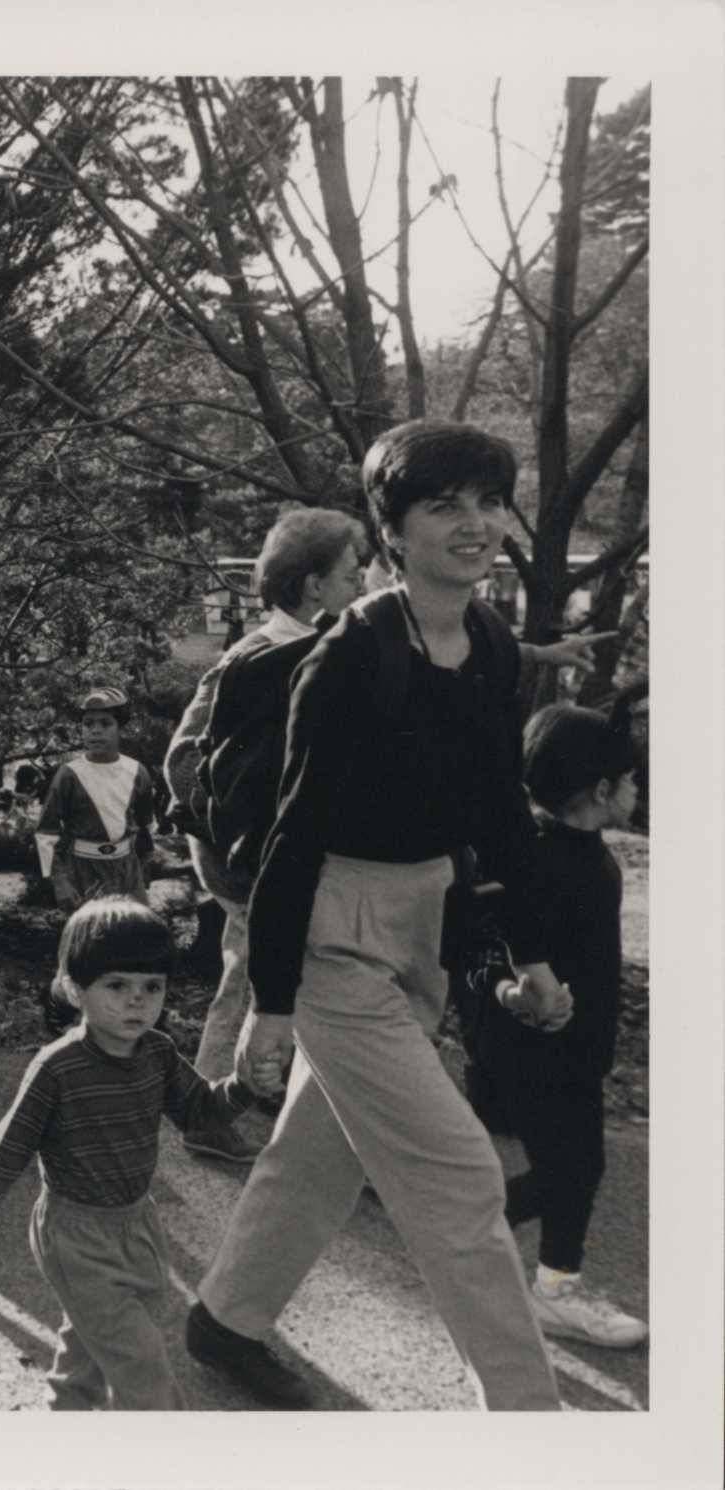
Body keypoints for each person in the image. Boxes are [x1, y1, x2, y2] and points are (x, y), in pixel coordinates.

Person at [185, 419, 571, 1412]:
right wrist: (271, 1000)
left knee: (317, 1152)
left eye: (486, 502)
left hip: (424, 918)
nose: (474, 523)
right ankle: (531, 1421)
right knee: (454, 1172)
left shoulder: (485, 640)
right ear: (389, 531)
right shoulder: (347, 658)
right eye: (442, 505)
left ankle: (223, 1318)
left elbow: (497, 808)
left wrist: (529, 952)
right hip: (329, 930)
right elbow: (291, 834)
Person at [0, 898, 266, 1409]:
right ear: (77, 988)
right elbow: (7, 1150)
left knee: (93, 1343)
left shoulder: (159, 1053)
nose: (136, 1002)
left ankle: (68, 1414)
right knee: (140, 1361)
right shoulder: (58, 1069)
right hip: (74, 1234)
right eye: (116, 986)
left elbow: (201, 1112)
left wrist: (245, 1086)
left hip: (138, 1224)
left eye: (152, 988)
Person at [163, 509, 369, 1166]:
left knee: (261, 973)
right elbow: (182, 759)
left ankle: (235, 1105)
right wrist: (236, 845)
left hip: (262, 856)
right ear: (312, 585)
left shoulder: (314, 651)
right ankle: (215, 1116)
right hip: (249, 860)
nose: (360, 580)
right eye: (349, 571)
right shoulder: (256, 657)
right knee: (264, 973)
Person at [458, 703, 647, 1349]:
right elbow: (471, 945)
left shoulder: (585, 850)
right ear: (599, 790)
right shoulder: (532, 857)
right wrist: (512, 991)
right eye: (630, 778)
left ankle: (465, 1240)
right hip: (531, 1051)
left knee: (569, 1167)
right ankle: (551, 1289)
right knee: (573, 1167)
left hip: (572, 1048)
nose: (637, 789)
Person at [34, 687, 155, 912]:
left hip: (126, 869)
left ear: (121, 729)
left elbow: (145, 825)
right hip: (83, 869)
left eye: (105, 723)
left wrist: (144, 867)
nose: (95, 731)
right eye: (88, 724)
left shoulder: (137, 771)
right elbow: (46, 833)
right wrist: (60, 883)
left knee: (135, 932)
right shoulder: (69, 773)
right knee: (89, 937)